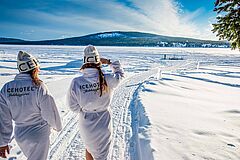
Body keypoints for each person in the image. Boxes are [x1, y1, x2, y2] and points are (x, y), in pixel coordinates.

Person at [0, 51, 62, 160]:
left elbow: (3, 118)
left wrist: (3, 141)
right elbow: (49, 111)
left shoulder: (6, 88)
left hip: (20, 135)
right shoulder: (38, 86)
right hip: (39, 134)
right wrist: (57, 126)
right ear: (35, 68)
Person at [67, 45, 124, 160]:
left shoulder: (76, 82)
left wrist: (86, 110)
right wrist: (109, 62)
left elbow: (72, 106)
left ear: (84, 61)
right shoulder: (107, 78)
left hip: (86, 123)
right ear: (98, 61)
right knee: (102, 155)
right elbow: (120, 74)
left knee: (89, 148)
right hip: (104, 122)